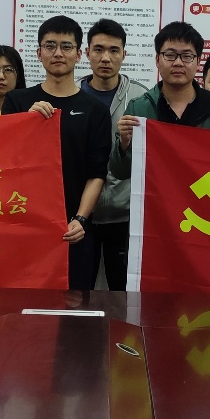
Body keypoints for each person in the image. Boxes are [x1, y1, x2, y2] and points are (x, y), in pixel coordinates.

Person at [3, 16, 112, 291]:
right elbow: (4, 162)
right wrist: (24, 123)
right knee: (22, 306)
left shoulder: (95, 110)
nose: (58, 53)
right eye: (50, 46)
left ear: (79, 54)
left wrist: (81, 218)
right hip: (25, 225)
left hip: (73, 229)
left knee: (74, 306)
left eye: (66, 46)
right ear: (39, 53)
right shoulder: (17, 101)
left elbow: (97, 173)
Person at [111, 21, 210, 178]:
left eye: (187, 56)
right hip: (155, 193)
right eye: (170, 55)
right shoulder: (139, 108)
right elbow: (120, 172)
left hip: (203, 191)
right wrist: (124, 143)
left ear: (198, 62)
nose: (178, 63)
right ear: (157, 60)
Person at [80, 19, 141, 291]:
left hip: (125, 214)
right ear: (86, 53)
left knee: (122, 292)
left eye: (114, 50)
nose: (106, 58)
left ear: (124, 54)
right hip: (81, 214)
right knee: (77, 290)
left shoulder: (140, 98)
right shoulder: (72, 95)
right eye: (98, 49)